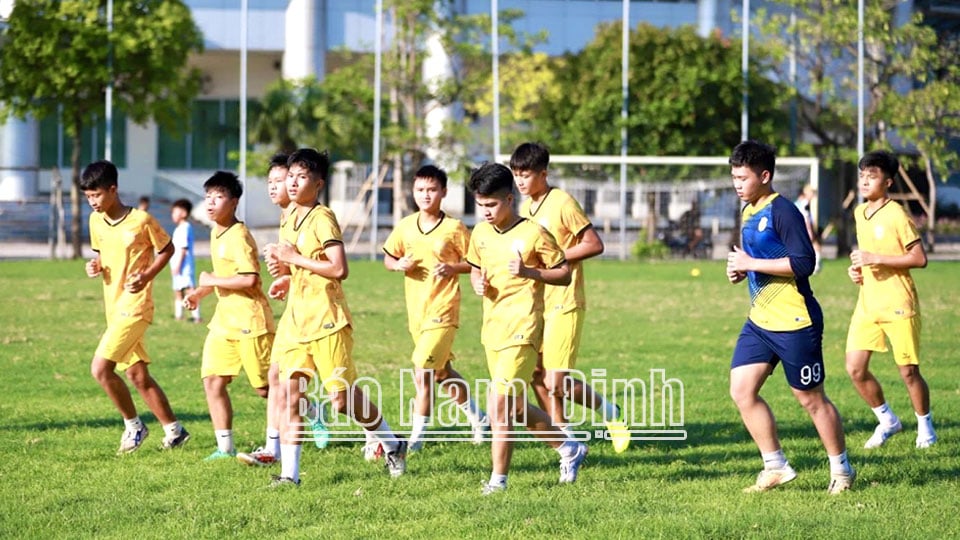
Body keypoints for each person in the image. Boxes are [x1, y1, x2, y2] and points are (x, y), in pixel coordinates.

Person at [267, 148, 406, 487]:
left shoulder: (322, 217)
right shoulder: (289, 217)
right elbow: (299, 264)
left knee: (342, 401)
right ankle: (290, 476)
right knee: (289, 393)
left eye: (302, 177)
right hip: (297, 322)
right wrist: (285, 275)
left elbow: (339, 268)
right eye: (291, 176)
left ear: (318, 183)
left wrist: (294, 259)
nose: (294, 182)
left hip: (328, 321)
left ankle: (392, 442)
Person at [725, 141, 855, 494]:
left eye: (743, 178)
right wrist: (741, 270)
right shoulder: (748, 210)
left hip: (795, 322)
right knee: (741, 389)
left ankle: (842, 470)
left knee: (810, 398)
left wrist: (751, 264)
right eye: (734, 177)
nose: (737, 184)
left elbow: (803, 263)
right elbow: (760, 260)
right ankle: (776, 466)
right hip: (760, 322)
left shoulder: (784, 212)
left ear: (764, 176)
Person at [466, 162, 588, 495]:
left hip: (524, 331)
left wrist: (530, 273)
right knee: (517, 408)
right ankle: (569, 448)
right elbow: (475, 268)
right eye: (481, 205)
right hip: (493, 331)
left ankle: (498, 482)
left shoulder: (534, 233)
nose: (486, 212)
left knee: (500, 407)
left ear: (508, 199)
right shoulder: (479, 233)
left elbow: (563, 273)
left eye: (491, 204)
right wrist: (479, 282)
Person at [509, 142, 629, 453]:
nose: (520, 181)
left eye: (526, 174)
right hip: (536, 304)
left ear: (543, 174)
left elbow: (594, 243)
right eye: (516, 175)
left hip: (565, 301)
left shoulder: (561, 202)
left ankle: (609, 411)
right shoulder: (524, 209)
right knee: (536, 373)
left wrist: (556, 258)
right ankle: (564, 434)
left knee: (556, 382)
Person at [80, 160, 190, 454]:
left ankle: (133, 425)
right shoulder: (95, 222)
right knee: (137, 375)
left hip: (137, 307)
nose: (92, 202)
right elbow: (103, 256)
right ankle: (175, 431)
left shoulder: (141, 220)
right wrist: (95, 266)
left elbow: (167, 249)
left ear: (113, 190)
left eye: (97, 195)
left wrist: (147, 277)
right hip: (113, 309)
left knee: (101, 369)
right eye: (88, 197)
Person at [382, 164, 489, 452]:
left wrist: (453, 267)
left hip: (444, 310)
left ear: (443, 192)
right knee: (442, 373)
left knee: (422, 371)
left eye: (431, 190)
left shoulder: (454, 228)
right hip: (416, 313)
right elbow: (389, 258)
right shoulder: (405, 226)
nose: (425, 195)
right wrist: (398, 265)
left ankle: (415, 439)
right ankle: (480, 420)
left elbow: (475, 262)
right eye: (420, 190)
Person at [237, 153, 329, 468]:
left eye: (283, 180)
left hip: (320, 314)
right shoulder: (287, 217)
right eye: (272, 182)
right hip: (296, 311)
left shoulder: (311, 215)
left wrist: (288, 266)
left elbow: (329, 266)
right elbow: (294, 268)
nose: (277, 187)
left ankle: (376, 437)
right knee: (277, 377)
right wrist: (284, 277)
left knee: (340, 390)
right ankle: (274, 448)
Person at [845, 150, 936, 449]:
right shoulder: (860, 212)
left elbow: (919, 258)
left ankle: (925, 427)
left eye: (872, 176)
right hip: (867, 303)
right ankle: (887, 420)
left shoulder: (897, 214)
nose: (865, 181)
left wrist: (876, 258)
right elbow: (866, 254)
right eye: (862, 176)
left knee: (908, 371)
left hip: (899, 303)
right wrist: (857, 269)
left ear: (888, 182)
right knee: (855, 368)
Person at [182, 172, 275, 461]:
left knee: (265, 389)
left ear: (234, 202)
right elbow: (223, 277)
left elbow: (249, 280)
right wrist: (200, 292)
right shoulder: (215, 231)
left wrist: (210, 280)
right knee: (212, 380)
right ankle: (224, 449)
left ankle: (311, 412)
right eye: (207, 197)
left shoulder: (239, 236)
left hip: (250, 321)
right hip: (224, 321)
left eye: (218, 197)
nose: (210, 203)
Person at [170, 198, 201, 323]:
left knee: (189, 289)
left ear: (183, 213)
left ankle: (196, 316)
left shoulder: (185, 227)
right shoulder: (178, 229)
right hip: (176, 265)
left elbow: (183, 248)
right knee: (177, 290)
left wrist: (178, 265)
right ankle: (179, 315)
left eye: (175, 212)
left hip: (184, 266)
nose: (173, 215)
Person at [794, 184, 822, 274]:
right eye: (812, 193)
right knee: (815, 246)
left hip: (801, 229)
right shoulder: (804, 203)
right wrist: (809, 230)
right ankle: (815, 266)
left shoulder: (801, 202)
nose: (813, 195)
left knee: (814, 246)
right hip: (804, 229)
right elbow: (805, 217)